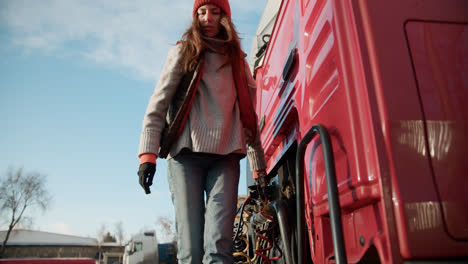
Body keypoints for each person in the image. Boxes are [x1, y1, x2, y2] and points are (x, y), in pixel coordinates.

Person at [137, 0, 267, 263]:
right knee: (191, 248)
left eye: (215, 11)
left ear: (225, 17)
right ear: (195, 17)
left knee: (220, 243)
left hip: (227, 156)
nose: (208, 17)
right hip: (186, 156)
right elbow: (158, 103)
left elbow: (249, 118)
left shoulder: (238, 63)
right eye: (202, 12)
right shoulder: (184, 53)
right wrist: (147, 156)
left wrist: (259, 168)